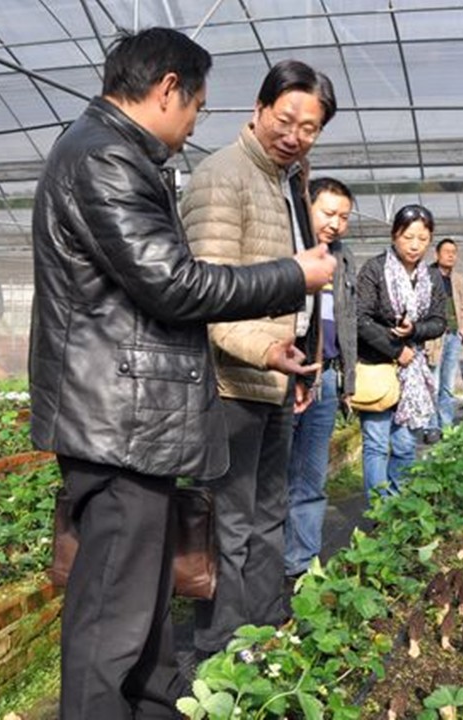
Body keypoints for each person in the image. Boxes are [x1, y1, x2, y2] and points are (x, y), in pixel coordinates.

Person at [29, 28, 334, 720]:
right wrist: (293, 275)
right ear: (169, 88)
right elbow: (174, 284)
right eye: (196, 104)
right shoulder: (104, 157)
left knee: (140, 603)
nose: (196, 121)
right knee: (111, 616)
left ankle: (153, 706)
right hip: (117, 421)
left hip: (131, 419)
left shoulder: (114, 153)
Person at [180, 59, 336, 655]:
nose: (295, 135)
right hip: (228, 384)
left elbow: (297, 285)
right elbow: (207, 292)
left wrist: (297, 358)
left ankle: (267, 626)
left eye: (309, 127)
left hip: (272, 378)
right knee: (228, 520)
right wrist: (266, 349)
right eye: (285, 119)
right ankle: (219, 649)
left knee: (270, 511)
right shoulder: (224, 177)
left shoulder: (287, 183)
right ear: (259, 108)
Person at [284, 177, 357, 580]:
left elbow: (347, 320)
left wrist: (348, 380)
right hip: (285, 374)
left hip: (325, 377)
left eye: (343, 217)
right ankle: (265, 562)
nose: (335, 223)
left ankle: (301, 564)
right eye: (328, 213)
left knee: (311, 476)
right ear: (306, 207)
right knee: (274, 475)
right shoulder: (288, 247)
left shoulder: (342, 257)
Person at [356, 204, 446, 501]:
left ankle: (398, 505)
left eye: (423, 238)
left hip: (412, 373)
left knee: (406, 445)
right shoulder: (374, 269)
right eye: (408, 237)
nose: (415, 245)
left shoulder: (431, 277)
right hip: (377, 365)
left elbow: (439, 322)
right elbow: (360, 318)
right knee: (376, 443)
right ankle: (378, 510)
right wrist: (396, 349)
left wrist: (414, 330)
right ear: (395, 235)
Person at [424, 238, 463, 443]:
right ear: (437, 254)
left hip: (453, 335)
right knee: (432, 383)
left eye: (454, 252)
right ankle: (431, 426)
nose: (451, 255)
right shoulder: (425, 275)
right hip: (433, 337)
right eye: (447, 251)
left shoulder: (458, 279)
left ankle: (446, 424)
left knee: (448, 383)